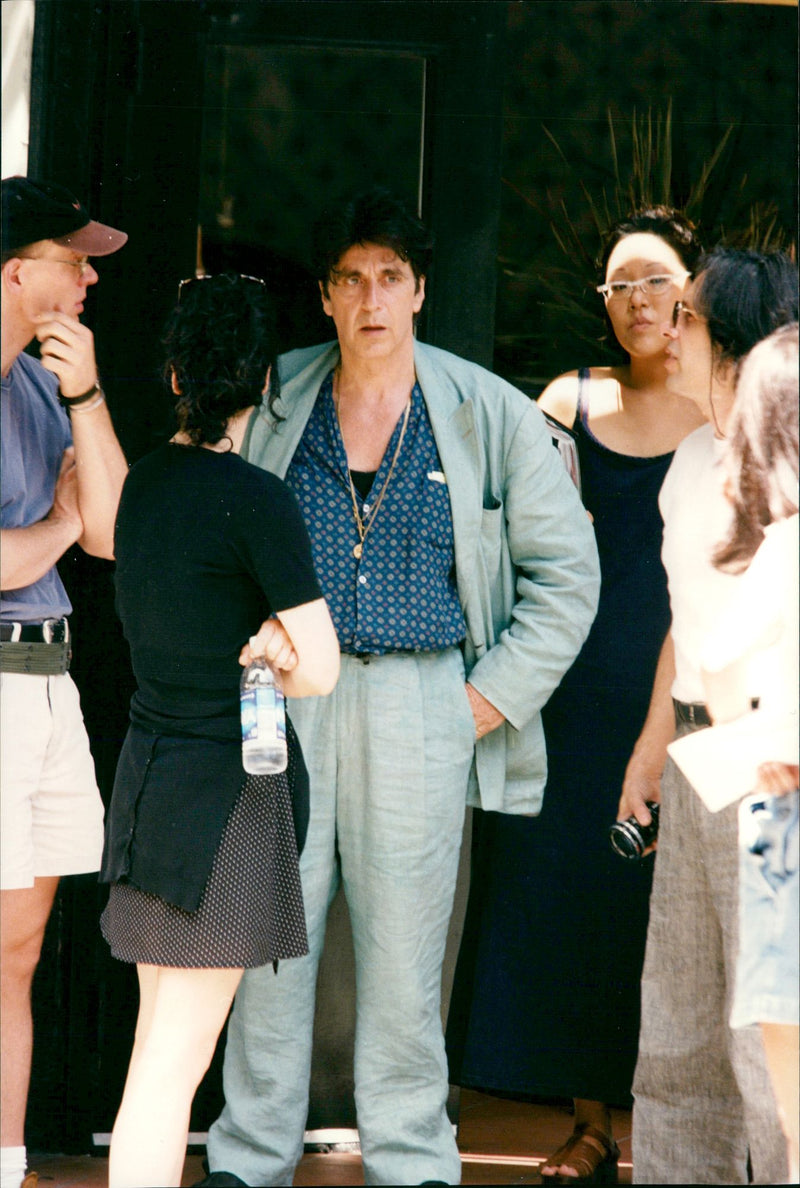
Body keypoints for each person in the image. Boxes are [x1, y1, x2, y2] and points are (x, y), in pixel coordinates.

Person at [202, 187, 601, 1187]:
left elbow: (568, 575)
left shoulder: (485, 409)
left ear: (418, 290)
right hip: (290, 694)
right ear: (327, 297)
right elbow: (206, 535)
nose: (371, 296)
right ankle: (248, 1157)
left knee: (405, 949)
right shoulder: (273, 396)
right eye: (350, 278)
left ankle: (415, 1161)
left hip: (427, 695)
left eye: (390, 276)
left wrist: (484, 699)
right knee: (267, 937)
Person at [445, 208, 706, 1182]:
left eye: (654, 278)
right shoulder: (569, 401)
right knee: (561, 898)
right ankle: (591, 1124)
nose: (637, 301)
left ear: (692, 286)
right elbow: (504, 527)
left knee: (665, 907)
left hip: (684, 683)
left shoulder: (726, 404)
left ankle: (671, 1128)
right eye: (618, 286)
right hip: (566, 687)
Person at [98, 273, 340, 1188]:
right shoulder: (256, 500)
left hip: (151, 788)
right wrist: (279, 644)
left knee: (153, 1054)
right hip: (229, 805)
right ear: (265, 384)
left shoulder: (145, 488)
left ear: (172, 378)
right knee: (174, 1067)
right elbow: (319, 668)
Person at [618, 247, 798, 1184]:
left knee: (768, 1035)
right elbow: (682, 625)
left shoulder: (786, 462)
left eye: (685, 314)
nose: (665, 327)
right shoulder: (689, 459)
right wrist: (652, 747)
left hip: (769, 767)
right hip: (694, 757)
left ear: (731, 343)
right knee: (680, 1020)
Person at [0, 175, 129, 1188]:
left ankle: (6, 1160)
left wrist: (86, 395)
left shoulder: (48, 380)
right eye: (72, 258)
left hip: (49, 676)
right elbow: (39, 544)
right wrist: (51, 526)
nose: (90, 276)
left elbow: (113, 530)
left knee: (24, 945)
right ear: (16, 270)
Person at [699, 322, 799, 1181]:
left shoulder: (784, 548)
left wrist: (761, 733)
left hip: (788, 827)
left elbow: (716, 668)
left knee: (797, 1103)